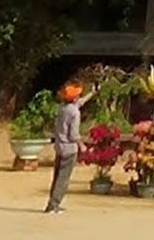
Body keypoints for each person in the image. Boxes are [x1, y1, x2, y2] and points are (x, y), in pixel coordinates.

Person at [44, 81, 95, 214]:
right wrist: (82, 145)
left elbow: (80, 103)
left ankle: (52, 202)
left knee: (57, 176)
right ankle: (53, 204)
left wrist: (92, 93)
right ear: (75, 97)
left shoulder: (63, 108)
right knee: (63, 178)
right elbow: (73, 134)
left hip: (59, 147)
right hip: (69, 148)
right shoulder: (75, 113)